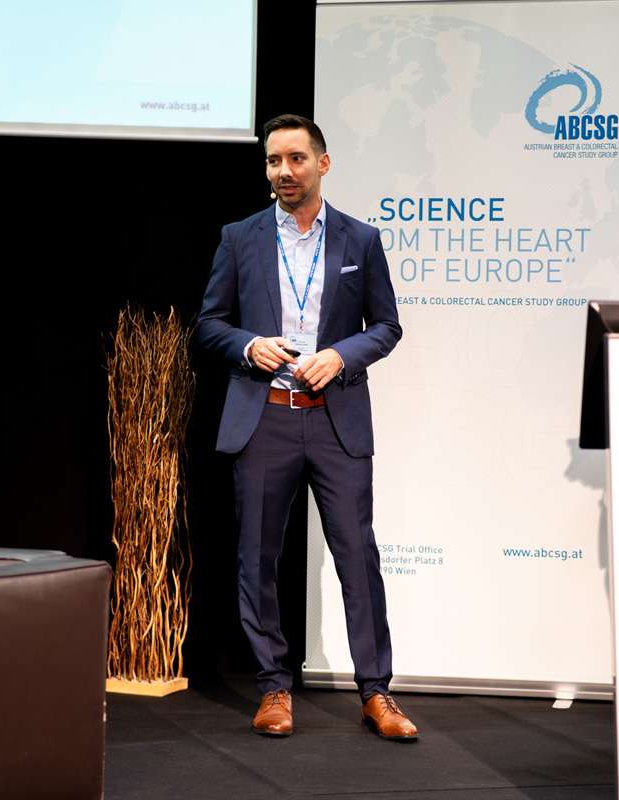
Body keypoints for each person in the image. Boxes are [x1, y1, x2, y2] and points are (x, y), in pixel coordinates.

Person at [196, 114, 417, 741]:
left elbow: (387, 326)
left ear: (323, 163)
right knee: (257, 557)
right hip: (264, 416)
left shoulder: (360, 239)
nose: (283, 171)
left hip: (333, 419)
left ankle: (376, 692)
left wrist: (342, 355)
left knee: (357, 557)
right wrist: (248, 346)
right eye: (273, 161)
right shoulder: (239, 237)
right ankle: (273, 687)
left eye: (295, 158)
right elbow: (209, 323)